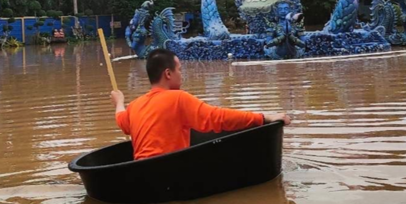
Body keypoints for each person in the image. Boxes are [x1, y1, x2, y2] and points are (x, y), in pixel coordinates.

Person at [110, 48, 291, 160]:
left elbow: (122, 121)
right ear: (168, 74)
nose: (182, 74)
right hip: (169, 173)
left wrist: (120, 101)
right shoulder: (178, 98)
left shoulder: (134, 106)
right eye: (179, 69)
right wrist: (264, 117)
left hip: (140, 176)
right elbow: (218, 118)